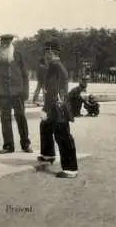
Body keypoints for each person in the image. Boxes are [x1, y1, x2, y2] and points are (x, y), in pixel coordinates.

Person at [37, 39, 78, 178]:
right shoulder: (57, 65)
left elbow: (53, 91)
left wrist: (46, 109)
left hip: (57, 107)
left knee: (63, 136)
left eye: (46, 52)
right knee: (45, 126)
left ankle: (70, 169)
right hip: (57, 105)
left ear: (50, 52)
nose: (44, 55)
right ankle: (48, 155)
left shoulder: (54, 66)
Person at [0, 34, 32, 154]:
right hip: (2, 91)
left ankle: (25, 144)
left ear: (11, 42)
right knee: (5, 118)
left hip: (17, 91)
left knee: (21, 117)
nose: (5, 44)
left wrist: (26, 91)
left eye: (7, 42)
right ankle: (8, 146)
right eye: (3, 41)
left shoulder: (17, 54)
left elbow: (25, 74)